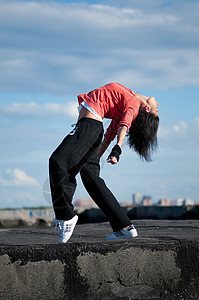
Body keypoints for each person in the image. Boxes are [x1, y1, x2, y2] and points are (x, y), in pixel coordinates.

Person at [49, 82, 159, 243]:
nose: (158, 104)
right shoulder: (126, 101)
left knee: (57, 161)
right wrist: (94, 158)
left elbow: (124, 126)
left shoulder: (133, 102)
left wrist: (118, 149)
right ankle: (124, 227)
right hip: (92, 130)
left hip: (89, 127)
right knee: (91, 178)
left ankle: (65, 217)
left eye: (157, 110)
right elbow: (108, 135)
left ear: (147, 109)